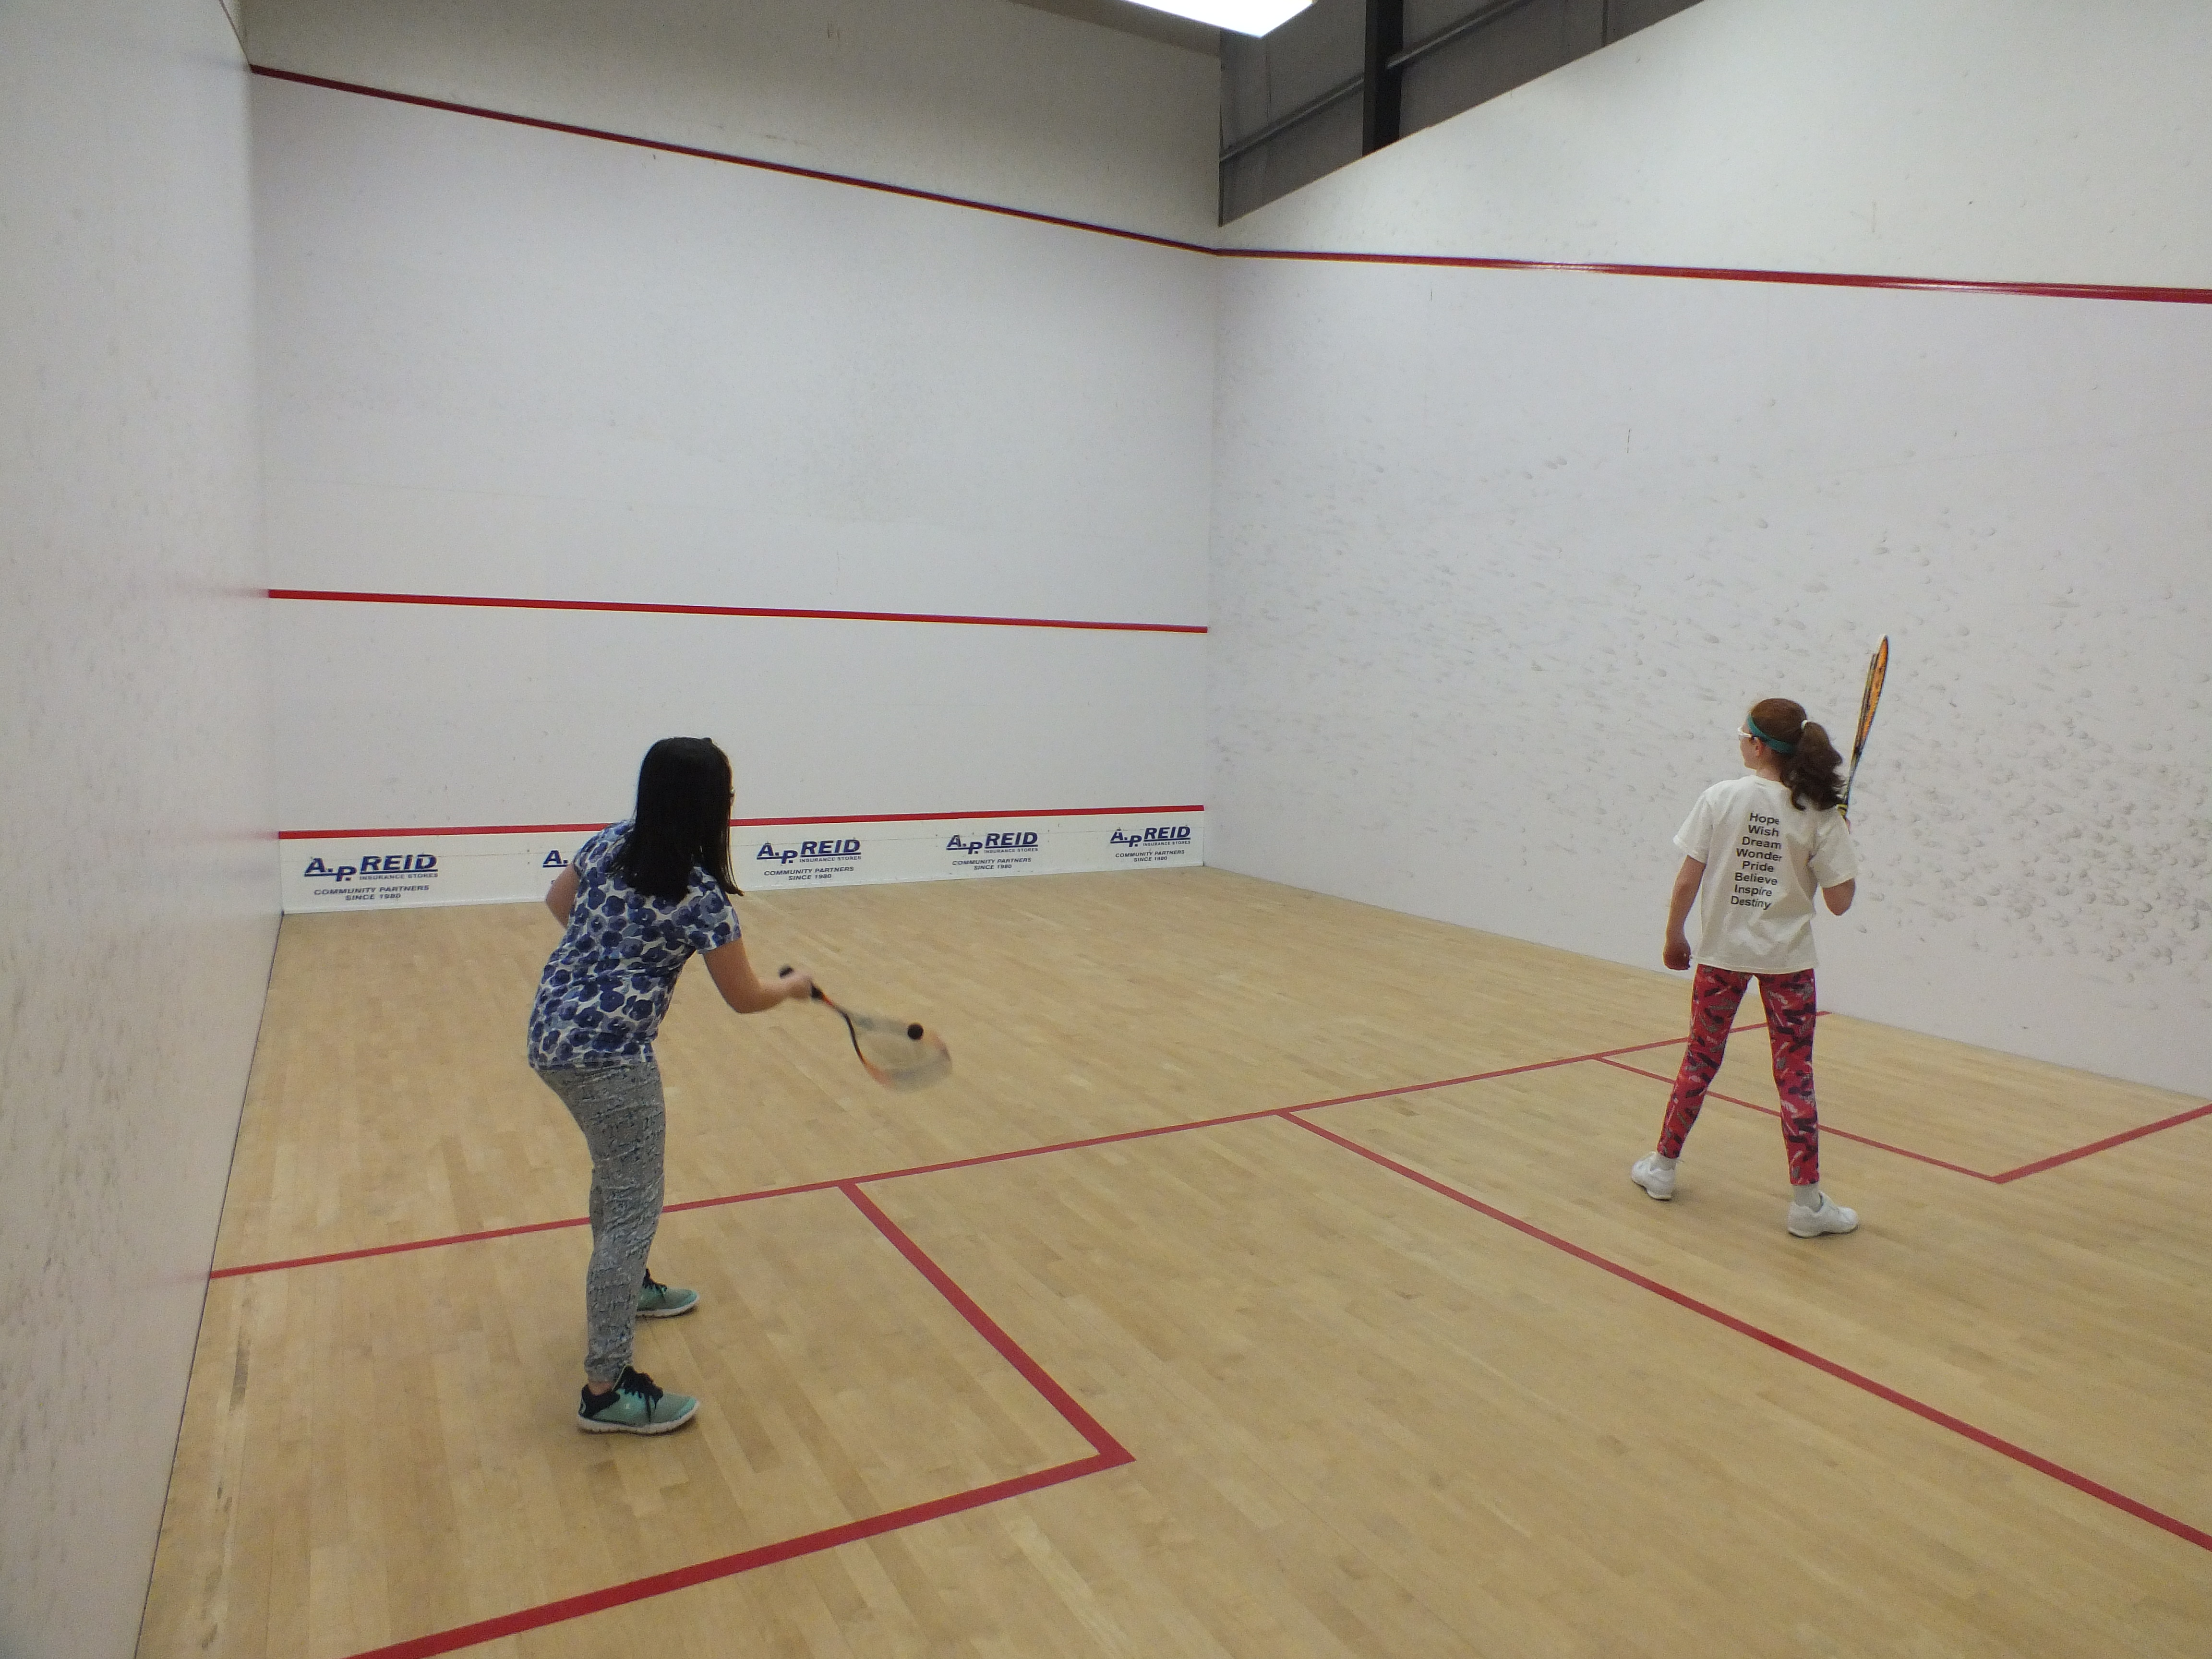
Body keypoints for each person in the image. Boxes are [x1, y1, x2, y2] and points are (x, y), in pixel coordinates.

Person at [528, 737, 814, 1432]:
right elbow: (745, 997)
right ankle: (606, 1390)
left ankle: (635, 1292)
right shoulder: (700, 896)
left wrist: (615, 957)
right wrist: (791, 985)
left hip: (551, 1034)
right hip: (612, 1060)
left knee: (616, 1180)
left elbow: (557, 900)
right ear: (715, 807)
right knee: (632, 1206)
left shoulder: (610, 844)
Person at [1631, 698, 1862, 1237]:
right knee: (1795, 1078)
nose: (1739, 742)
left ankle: (1662, 1169)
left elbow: (1687, 880)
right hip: (1788, 964)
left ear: (1758, 746)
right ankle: (1807, 1205)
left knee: (1700, 1059)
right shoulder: (1819, 813)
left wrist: (1674, 935)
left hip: (1721, 957)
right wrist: (1840, 837)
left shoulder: (1719, 798)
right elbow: (1841, 901)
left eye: (1743, 735)